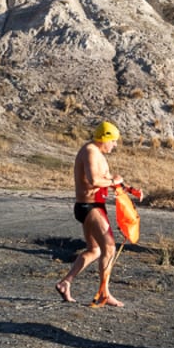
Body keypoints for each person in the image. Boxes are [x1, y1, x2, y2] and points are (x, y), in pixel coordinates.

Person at [55, 121, 127, 307]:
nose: (115, 145)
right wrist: (113, 181)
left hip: (91, 206)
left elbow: (107, 179)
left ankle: (65, 282)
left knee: (95, 250)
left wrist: (129, 189)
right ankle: (104, 293)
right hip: (90, 207)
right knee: (109, 248)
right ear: (105, 138)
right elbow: (94, 180)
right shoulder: (90, 152)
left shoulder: (96, 152)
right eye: (113, 141)